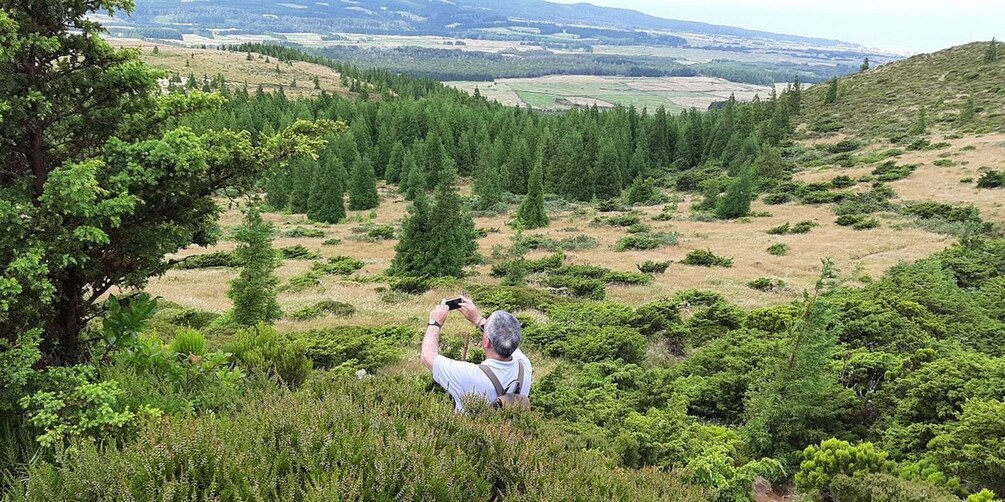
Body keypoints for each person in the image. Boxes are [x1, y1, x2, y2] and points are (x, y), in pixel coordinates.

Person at [420, 296, 532, 412]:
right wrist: (477, 319)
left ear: (486, 342)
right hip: (511, 429)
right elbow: (506, 339)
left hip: (471, 429)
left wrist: (435, 323)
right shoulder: (524, 366)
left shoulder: (469, 375)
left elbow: (427, 357)